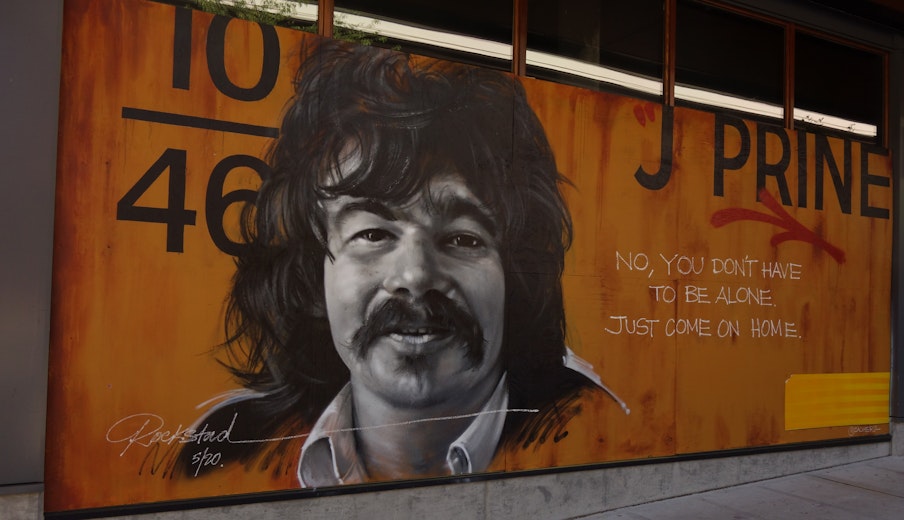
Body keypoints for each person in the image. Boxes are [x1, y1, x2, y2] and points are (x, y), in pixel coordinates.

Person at [175, 38, 627, 488]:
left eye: (462, 239)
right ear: (314, 272)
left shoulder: (600, 435)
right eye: (372, 234)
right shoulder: (230, 450)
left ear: (515, 276)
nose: (414, 276)